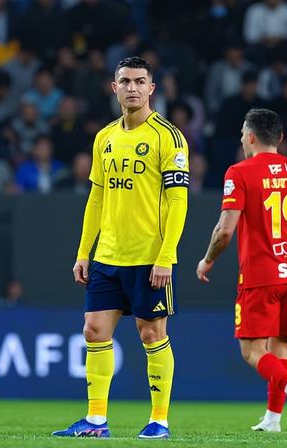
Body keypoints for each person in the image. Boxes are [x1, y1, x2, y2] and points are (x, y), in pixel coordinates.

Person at [54, 57, 189, 440]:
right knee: (94, 331)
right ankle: (96, 421)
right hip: (107, 256)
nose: (132, 88)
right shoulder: (104, 138)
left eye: (140, 81)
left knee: (151, 334)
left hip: (149, 257)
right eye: (125, 81)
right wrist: (84, 252)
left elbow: (179, 202)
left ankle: (159, 421)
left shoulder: (169, 137)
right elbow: (95, 199)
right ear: (114, 88)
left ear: (151, 89)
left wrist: (166, 256)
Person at [196, 108, 287, 435]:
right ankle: (273, 419)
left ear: (251, 136)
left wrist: (208, 259)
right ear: (281, 138)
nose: (243, 139)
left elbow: (225, 230)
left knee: (252, 351)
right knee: (280, 348)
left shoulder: (239, 172)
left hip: (261, 276)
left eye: (244, 134)